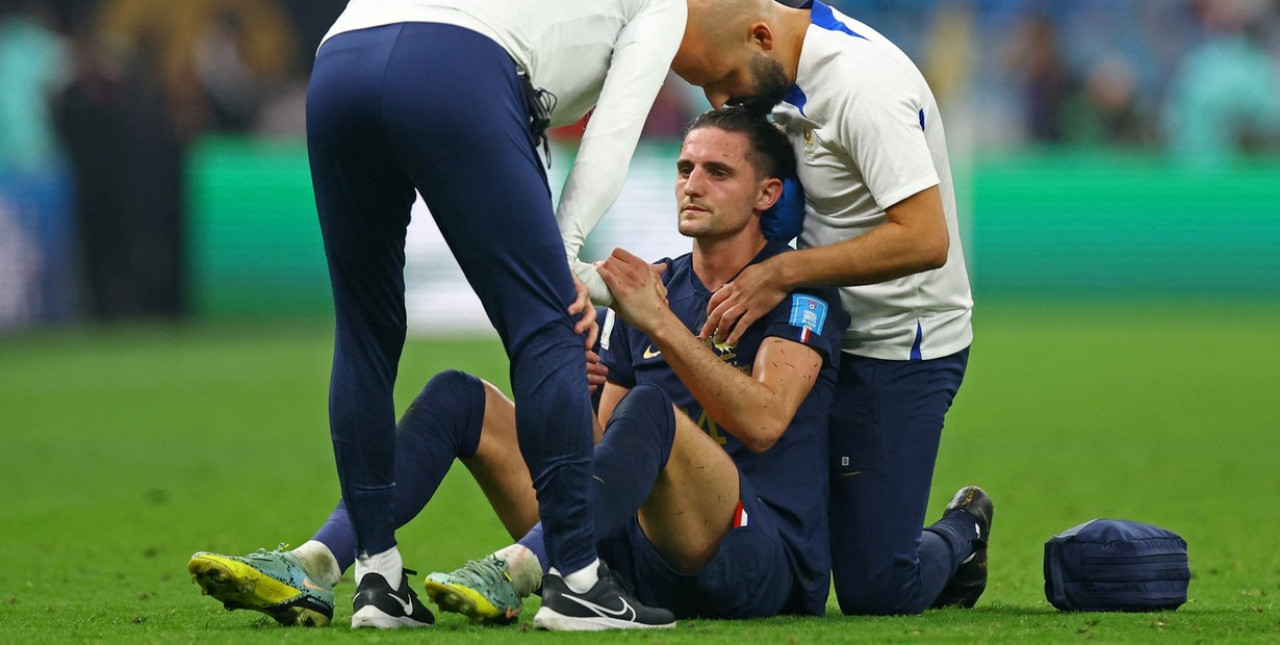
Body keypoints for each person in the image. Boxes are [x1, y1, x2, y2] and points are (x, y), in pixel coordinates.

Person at [187, 107, 846, 629]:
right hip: (632, 553)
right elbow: (611, 446)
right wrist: (578, 390)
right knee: (457, 396)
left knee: (653, 410)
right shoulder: (657, 284)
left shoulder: (797, 293)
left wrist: (660, 327)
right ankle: (321, 561)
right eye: (684, 166)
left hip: (755, 563)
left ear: (768, 192)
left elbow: (764, 420)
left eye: (716, 172)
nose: (692, 183)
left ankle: (521, 566)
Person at [282, 0, 692, 630]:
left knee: (364, 329)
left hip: (340, 59)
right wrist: (565, 253)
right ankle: (578, 579)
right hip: (457, 63)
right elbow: (612, 134)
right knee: (549, 326)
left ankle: (378, 580)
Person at [669, 0, 992, 615]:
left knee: (877, 590)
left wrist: (782, 271)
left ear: (762, 37)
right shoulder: (776, 64)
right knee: (777, 533)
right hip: (805, 333)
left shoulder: (863, 89)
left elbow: (925, 239)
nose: (717, 101)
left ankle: (963, 532)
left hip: (896, 345)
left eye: (722, 79)